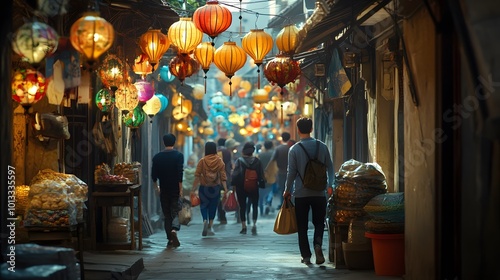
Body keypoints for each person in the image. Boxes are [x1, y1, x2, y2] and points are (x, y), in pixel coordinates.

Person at [283, 117, 334, 265]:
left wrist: (287, 190)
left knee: (302, 226)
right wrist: (330, 185)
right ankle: (318, 244)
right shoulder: (322, 146)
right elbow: (330, 167)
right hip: (319, 193)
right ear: (311, 129)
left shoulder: (294, 149)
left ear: (298, 130)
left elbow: (291, 172)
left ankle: (306, 256)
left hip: (301, 193)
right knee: (319, 222)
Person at [151, 133, 184, 248]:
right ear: (174, 143)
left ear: (163, 142)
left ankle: (170, 240)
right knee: (175, 211)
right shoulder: (178, 156)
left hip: (163, 189)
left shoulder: (157, 157)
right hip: (175, 189)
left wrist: (157, 188)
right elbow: (180, 173)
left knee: (167, 215)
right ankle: (174, 230)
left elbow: (153, 176)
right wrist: (180, 189)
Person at [192, 141, 228, 236]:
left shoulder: (202, 161)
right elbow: (223, 176)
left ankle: (204, 220)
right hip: (215, 188)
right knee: (213, 206)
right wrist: (225, 189)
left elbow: (197, 176)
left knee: (203, 205)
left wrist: (193, 189)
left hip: (204, 188)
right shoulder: (219, 161)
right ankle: (210, 225)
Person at [231, 142, 265, 235]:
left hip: (241, 187)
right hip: (254, 186)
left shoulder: (239, 161)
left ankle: (244, 226)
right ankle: (254, 224)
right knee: (254, 205)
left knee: (242, 207)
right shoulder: (257, 161)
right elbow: (261, 174)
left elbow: (235, 174)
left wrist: (233, 185)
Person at [270, 132, 292, 209]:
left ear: (282, 138)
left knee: (282, 188)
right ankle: (290, 203)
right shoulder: (292, 148)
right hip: (292, 171)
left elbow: (272, 160)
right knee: (291, 188)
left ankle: (283, 203)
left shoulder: (278, 149)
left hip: (281, 171)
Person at [257, 140, 275, 216]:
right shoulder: (273, 154)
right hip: (271, 175)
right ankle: (268, 202)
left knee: (261, 193)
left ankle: (261, 209)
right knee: (271, 191)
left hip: (262, 175)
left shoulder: (260, 154)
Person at [216, 138, 231, 224]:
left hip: (216, 178)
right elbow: (228, 165)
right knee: (224, 195)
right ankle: (223, 214)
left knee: (218, 196)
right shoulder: (227, 152)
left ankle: (220, 214)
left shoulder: (215, 151)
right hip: (225, 177)